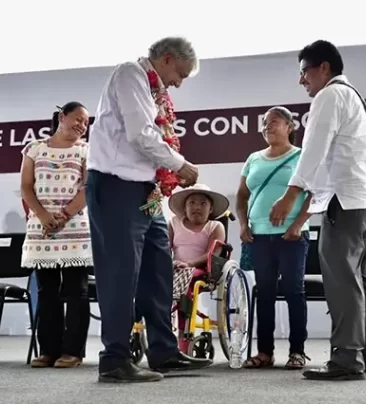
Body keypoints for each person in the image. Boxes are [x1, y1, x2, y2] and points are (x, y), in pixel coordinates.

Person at [86, 36, 211, 384]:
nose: (179, 83)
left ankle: (164, 351)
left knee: (158, 270)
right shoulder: (130, 74)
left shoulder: (156, 91)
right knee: (120, 274)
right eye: (180, 74)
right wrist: (179, 164)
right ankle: (114, 359)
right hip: (116, 186)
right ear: (167, 58)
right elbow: (140, 133)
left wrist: (168, 169)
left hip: (147, 190)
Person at [269, 40, 366, 381]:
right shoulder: (353, 96)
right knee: (362, 281)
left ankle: (347, 359)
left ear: (324, 68)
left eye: (304, 71)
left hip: (344, 203)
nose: (301, 80)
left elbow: (313, 149)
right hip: (363, 202)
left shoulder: (330, 95)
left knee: (342, 281)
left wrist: (291, 195)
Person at [236, 106, 311, 370]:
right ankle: (264, 352)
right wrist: (243, 224)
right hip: (259, 237)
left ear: (290, 127)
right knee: (265, 292)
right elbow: (242, 196)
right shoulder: (253, 158)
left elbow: (314, 194)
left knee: (293, 291)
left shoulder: (302, 156)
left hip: (291, 236)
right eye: (265, 123)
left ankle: (297, 351)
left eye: (275, 122)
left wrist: (298, 224)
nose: (267, 126)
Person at [21, 101, 92, 369]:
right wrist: (42, 215)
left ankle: (73, 351)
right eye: (78, 119)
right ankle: (48, 350)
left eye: (86, 123)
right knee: (46, 291)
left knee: (77, 291)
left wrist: (63, 215)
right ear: (62, 117)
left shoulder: (86, 150)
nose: (82, 126)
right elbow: (26, 186)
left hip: (75, 229)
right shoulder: (34, 148)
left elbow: (88, 188)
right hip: (41, 228)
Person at [167, 184, 229, 353]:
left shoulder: (215, 226)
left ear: (211, 209)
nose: (197, 207)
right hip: (175, 268)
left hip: (202, 270)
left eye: (203, 203)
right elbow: (165, 248)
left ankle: (183, 335)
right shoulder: (173, 223)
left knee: (186, 282)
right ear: (184, 207)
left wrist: (188, 264)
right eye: (192, 202)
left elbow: (211, 255)